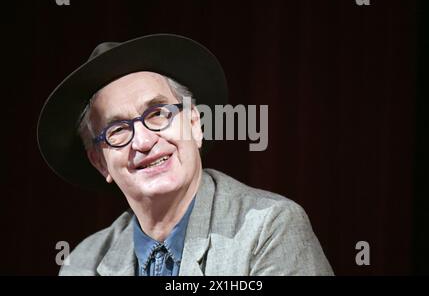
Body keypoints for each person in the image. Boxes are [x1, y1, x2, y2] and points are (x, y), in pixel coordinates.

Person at [37, 34, 334, 276]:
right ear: (100, 162)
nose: (142, 141)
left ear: (194, 124)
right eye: (118, 130)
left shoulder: (268, 228)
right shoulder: (82, 264)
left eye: (157, 114)